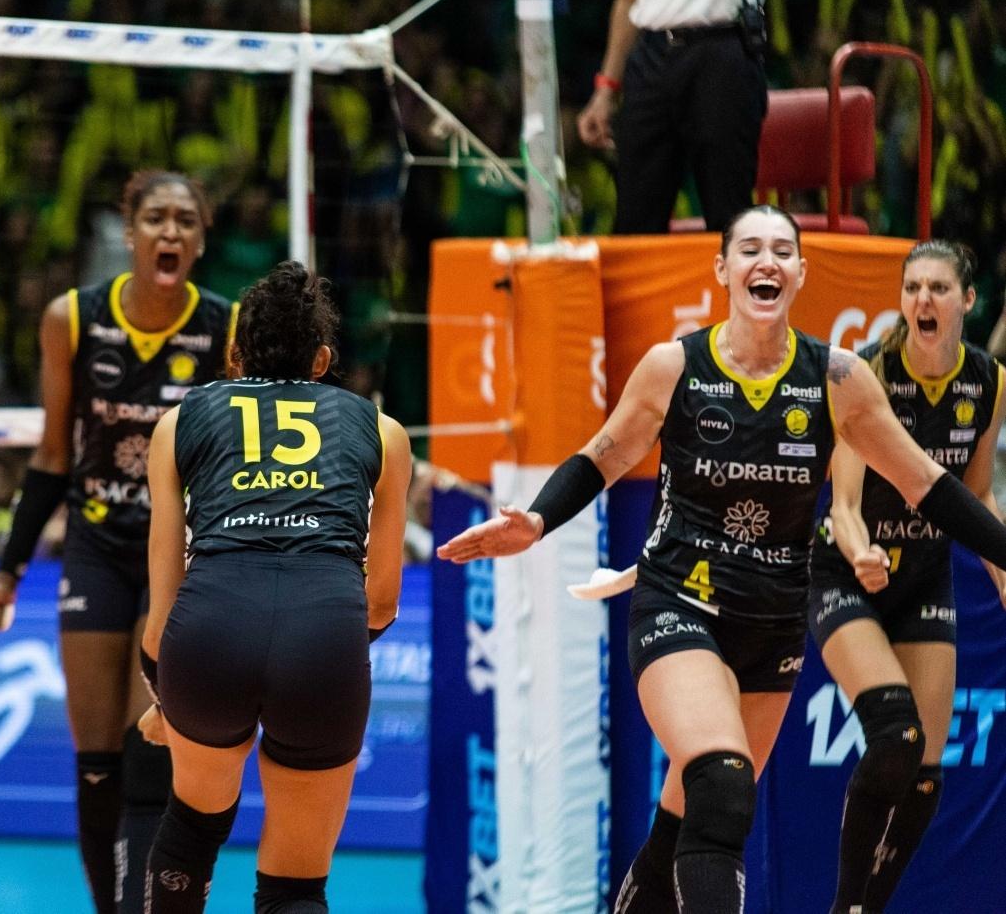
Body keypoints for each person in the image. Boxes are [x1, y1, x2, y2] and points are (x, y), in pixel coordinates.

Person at [437, 206, 1006, 913]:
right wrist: (540, 519)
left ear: (799, 273)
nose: (764, 261)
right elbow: (603, 455)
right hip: (678, 603)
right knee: (725, 783)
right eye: (748, 250)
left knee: (685, 819)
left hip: (770, 625)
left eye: (780, 251)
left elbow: (930, 486)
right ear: (722, 270)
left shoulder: (836, 379)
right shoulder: (673, 365)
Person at [0, 171, 237, 914]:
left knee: (146, 749)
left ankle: (145, 903)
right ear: (128, 232)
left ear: (202, 240)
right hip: (93, 546)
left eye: (186, 221)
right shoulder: (72, 319)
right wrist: (7, 572)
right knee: (94, 765)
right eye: (156, 218)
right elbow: (53, 453)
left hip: (171, 549)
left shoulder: (224, 327)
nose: (171, 232)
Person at [135, 261, 411, 912]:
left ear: (234, 356)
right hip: (324, 638)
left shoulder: (180, 422)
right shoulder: (382, 431)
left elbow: (161, 605)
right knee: (295, 883)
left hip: (209, 633)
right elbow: (382, 601)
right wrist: (319, 648)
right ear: (321, 360)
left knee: (192, 826)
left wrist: (165, 699)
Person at [808, 241, 1006, 914]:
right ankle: (842, 907)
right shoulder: (866, 373)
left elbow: (972, 497)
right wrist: (860, 550)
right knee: (894, 735)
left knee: (923, 776)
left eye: (938, 288)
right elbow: (841, 503)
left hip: (924, 578)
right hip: (847, 570)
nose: (922, 299)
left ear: (966, 301)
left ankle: (869, 907)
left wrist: (999, 564)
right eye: (912, 287)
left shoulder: (988, 382)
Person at [577, 0, 773, 233]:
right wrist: (606, 89)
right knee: (635, 218)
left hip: (721, 49)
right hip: (651, 54)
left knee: (729, 216)